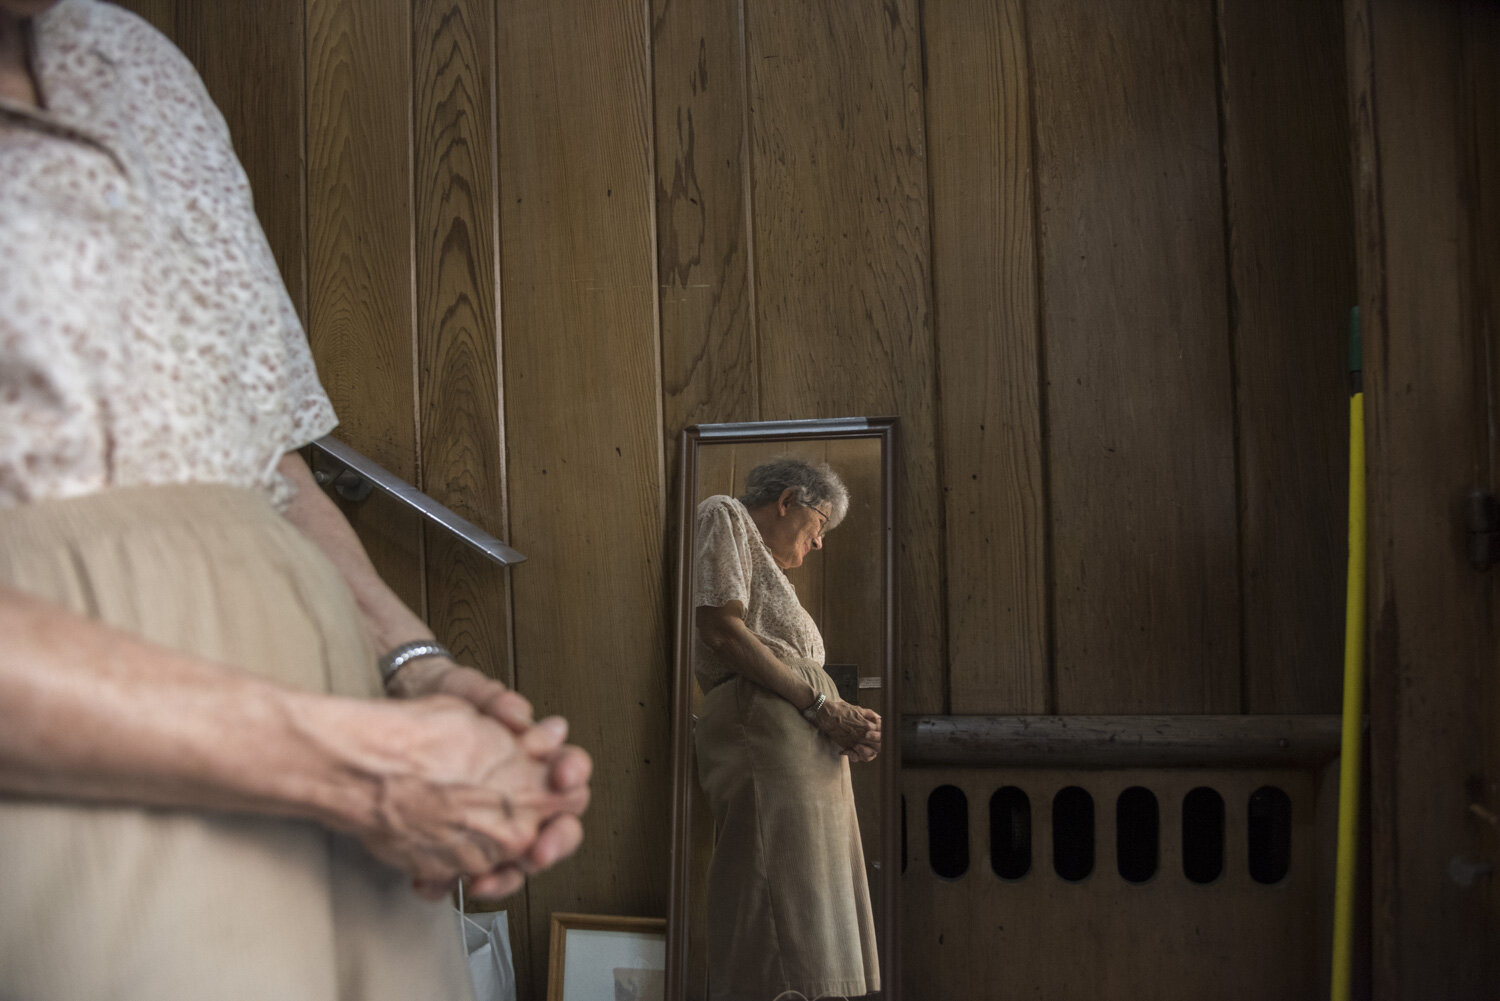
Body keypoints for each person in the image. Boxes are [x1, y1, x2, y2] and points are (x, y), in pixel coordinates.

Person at [0, 2, 589, 998]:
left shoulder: (139, 59)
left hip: (341, 791)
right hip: (82, 787)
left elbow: (261, 450)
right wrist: (349, 763)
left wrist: (411, 666)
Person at [692, 457, 883, 1001]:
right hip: (767, 731)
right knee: (777, 900)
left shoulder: (771, 570)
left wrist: (844, 724)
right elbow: (720, 629)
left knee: (813, 908)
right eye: (820, 524)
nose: (819, 543)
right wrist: (824, 708)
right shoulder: (724, 513)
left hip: (796, 738)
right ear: (787, 500)